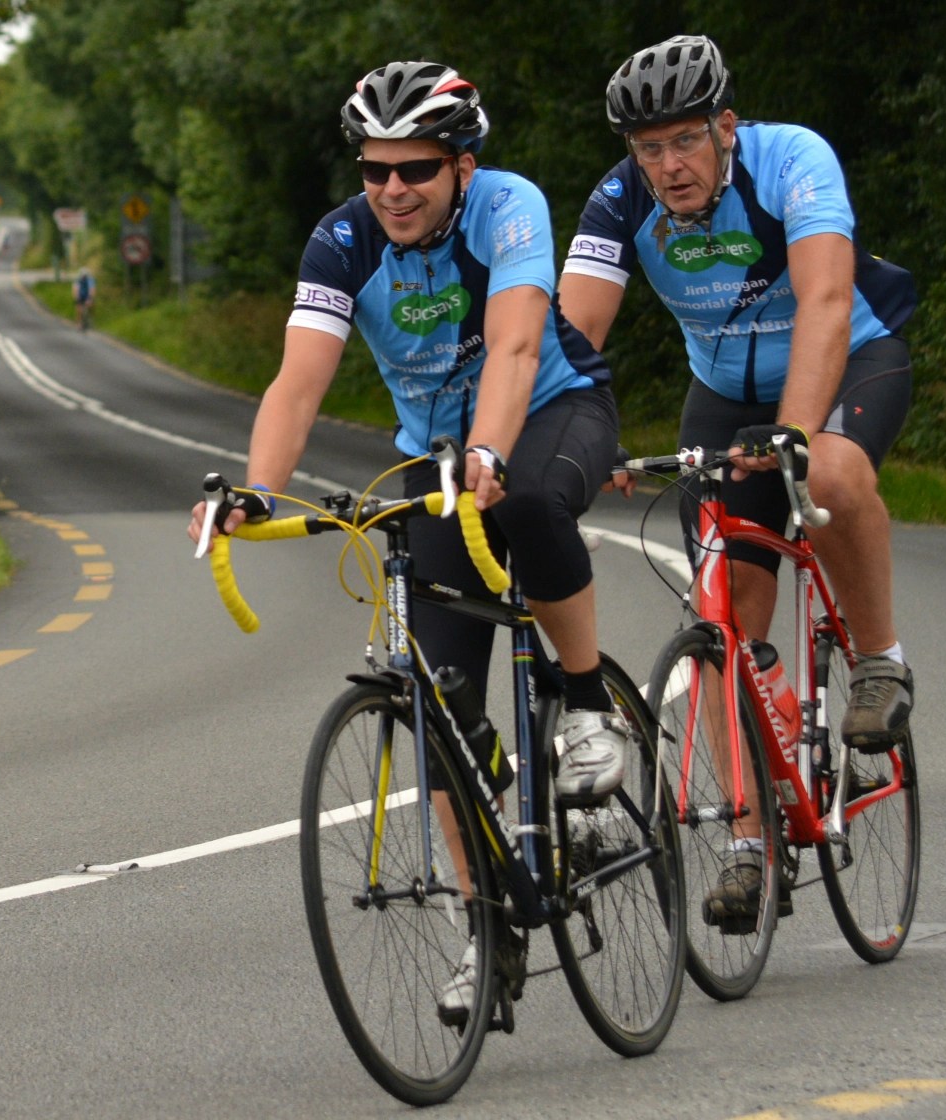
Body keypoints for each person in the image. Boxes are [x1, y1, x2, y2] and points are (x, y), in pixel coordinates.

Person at [186, 60, 629, 1013]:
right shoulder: (342, 242)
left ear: (461, 167)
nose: (392, 188)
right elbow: (298, 383)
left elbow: (516, 344)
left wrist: (490, 450)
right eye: (375, 169)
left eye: (416, 168)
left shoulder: (507, 206)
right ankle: (487, 925)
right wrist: (255, 493)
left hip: (550, 410)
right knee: (436, 704)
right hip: (432, 453)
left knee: (528, 504)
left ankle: (589, 705)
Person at [558, 34, 917, 924]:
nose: (668, 167)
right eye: (649, 149)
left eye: (685, 141)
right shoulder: (618, 201)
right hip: (721, 395)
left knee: (832, 473)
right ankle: (750, 845)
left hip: (847, 359)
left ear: (726, 126)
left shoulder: (792, 160)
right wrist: (568, 439)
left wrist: (794, 429)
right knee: (722, 623)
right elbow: (570, 335)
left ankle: (880, 661)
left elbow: (825, 300)